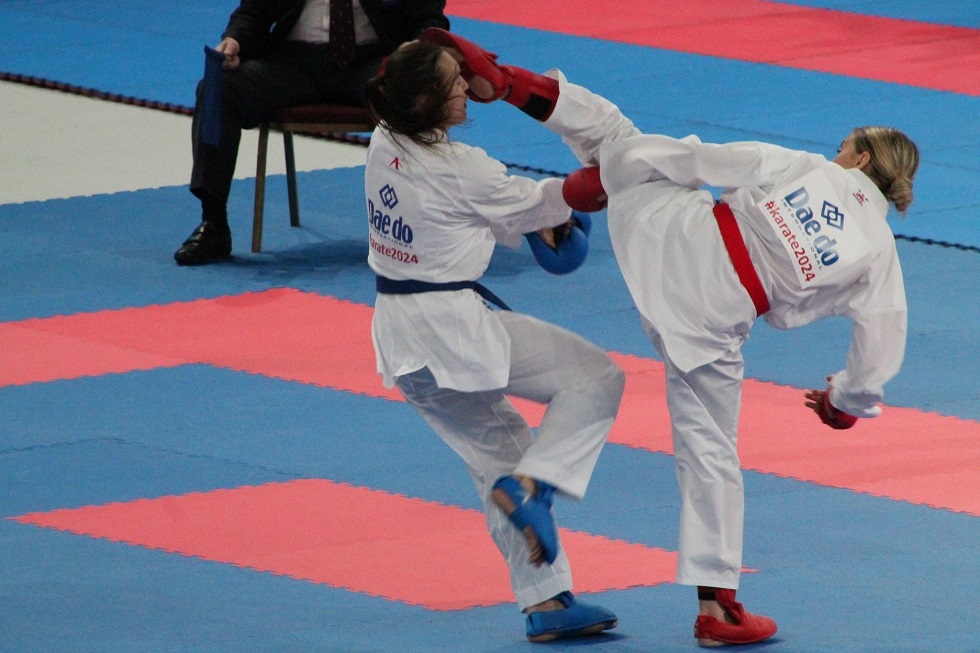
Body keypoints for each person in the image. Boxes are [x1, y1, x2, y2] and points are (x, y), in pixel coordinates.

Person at [424, 29, 920, 647]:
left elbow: (704, 160)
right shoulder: (882, 257)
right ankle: (718, 610)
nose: (838, 151)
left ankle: (509, 84)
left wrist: (624, 167)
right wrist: (842, 405)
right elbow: (879, 352)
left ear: (863, 160)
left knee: (616, 135)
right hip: (710, 322)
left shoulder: (808, 168)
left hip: (670, 242)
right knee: (711, 452)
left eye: (845, 146)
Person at [363, 40, 625, 643]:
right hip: (450, 328)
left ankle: (547, 602)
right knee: (595, 378)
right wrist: (614, 177)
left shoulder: (384, 140)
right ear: (428, 100)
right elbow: (550, 199)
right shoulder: (464, 169)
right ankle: (535, 487)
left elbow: (495, 212)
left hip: (399, 334)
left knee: (499, 455)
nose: (467, 88)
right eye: (456, 82)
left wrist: (542, 219)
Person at [174, 0, 449, 265]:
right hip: (292, 61)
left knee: (418, 93)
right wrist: (235, 40)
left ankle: (421, 225)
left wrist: (418, 47)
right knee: (219, 88)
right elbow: (254, 9)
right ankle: (213, 223)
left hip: (374, 60)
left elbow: (429, 18)